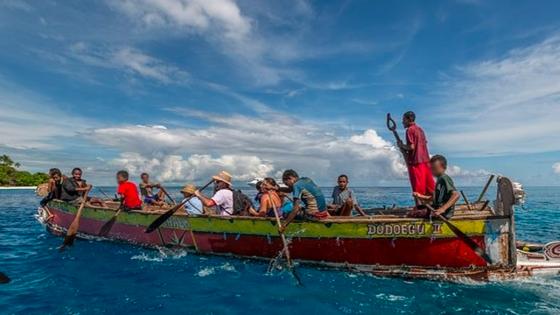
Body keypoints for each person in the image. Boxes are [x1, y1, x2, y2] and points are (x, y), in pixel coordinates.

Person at [398, 111, 435, 198]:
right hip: (425, 160)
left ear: (408, 119)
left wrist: (401, 145)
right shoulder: (420, 130)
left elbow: (411, 147)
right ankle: (435, 202)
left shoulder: (410, 130)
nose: (402, 122)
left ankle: (420, 208)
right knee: (429, 185)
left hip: (416, 161)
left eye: (404, 120)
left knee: (418, 186)